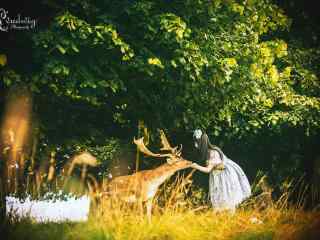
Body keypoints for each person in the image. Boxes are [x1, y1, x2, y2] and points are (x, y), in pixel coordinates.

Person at [191, 129, 251, 212]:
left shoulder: (212, 152)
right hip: (218, 175)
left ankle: (230, 217)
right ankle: (225, 216)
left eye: (196, 142)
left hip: (223, 176)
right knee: (222, 197)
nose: (195, 144)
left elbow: (208, 170)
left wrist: (195, 166)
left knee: (227, 196)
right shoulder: (211, 151)